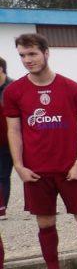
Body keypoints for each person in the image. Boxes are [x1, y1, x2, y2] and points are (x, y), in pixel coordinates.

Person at [3, 33, 77, 269]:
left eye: (32, 54)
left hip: (72, 169)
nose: (27, 60)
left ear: (46, 52)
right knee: (45, 224)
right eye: (22, 55)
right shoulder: (14, 92)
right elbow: (13, 131)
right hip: (37, 173)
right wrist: (19, 165)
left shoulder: (72, 88)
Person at [0, 56, 12, 219]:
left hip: (20, 140)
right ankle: (2, 208)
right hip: (2, 141)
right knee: (2, 175)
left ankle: (45, 205)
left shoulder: (13, 87)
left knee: (35, 173)